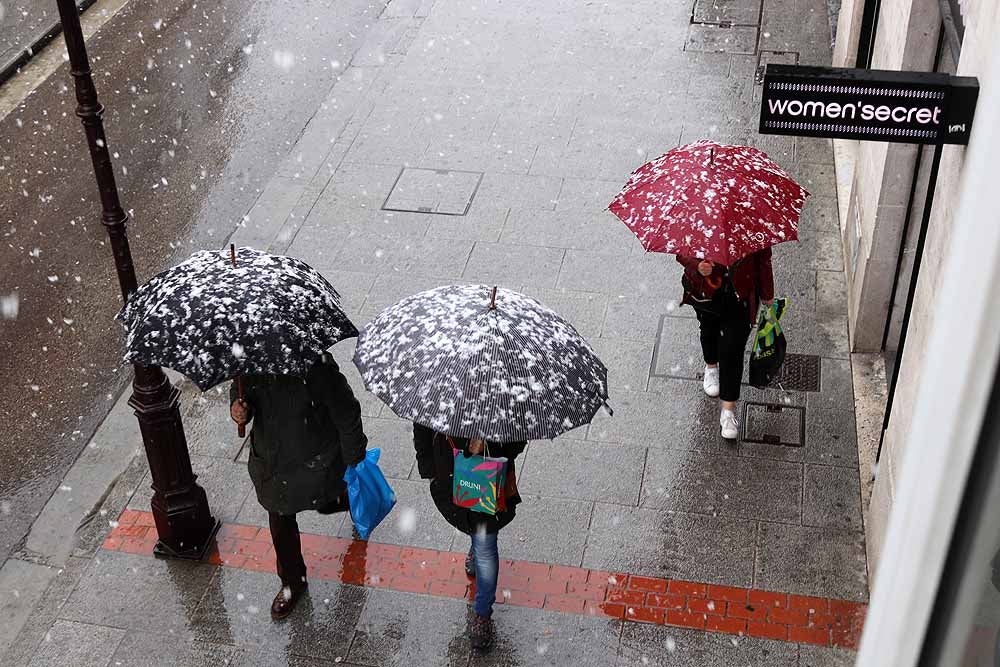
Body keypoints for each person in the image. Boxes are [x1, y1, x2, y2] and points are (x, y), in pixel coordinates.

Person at [230, 353, 367, 620]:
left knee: (330, 498)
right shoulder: (248, 359)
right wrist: (238, 409)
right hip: (271, 461)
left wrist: (355, 463)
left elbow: (347, 412)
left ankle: (347, 501)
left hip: (316, 459)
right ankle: (292, 582)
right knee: (280, 522)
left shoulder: (316, 366)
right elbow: (239, 391)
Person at [412, 424, 526, 651]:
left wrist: (489, 441)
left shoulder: (502, 399)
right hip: (450, 475)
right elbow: (422, 425)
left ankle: (482, 614)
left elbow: (518, 440)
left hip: (488, 477)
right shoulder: (440, 392)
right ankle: (476, 546)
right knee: (472, 527)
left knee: (485, 543)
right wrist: (429, 467)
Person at [678, 249, 775, 439]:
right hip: (706, 292)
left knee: (733, 348)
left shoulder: (751, 223)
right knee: (708, 330)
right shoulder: (701, 219)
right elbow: (681, 251)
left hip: (741, 294)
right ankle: (711, 366)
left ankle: (728, 411)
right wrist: (697, 265)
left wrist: (767, 292)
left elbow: (763, 258)